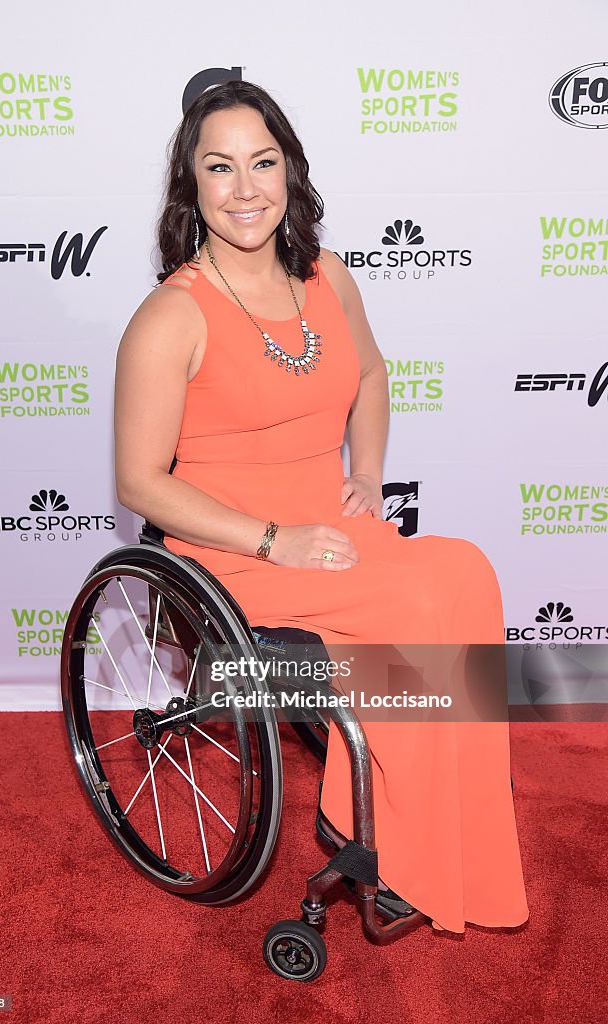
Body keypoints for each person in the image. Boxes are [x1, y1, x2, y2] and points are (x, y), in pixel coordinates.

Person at [114, 80, 529, 934]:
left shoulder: (326, 277)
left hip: (329, 531)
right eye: (218, 167)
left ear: (289, 171)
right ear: (190, 185)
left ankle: (447, 838)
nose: (245, 189)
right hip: (231, 551)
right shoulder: (170, 317)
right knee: (419, 604)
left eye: (262, 163)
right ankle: (373, 832)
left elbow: (370, 374)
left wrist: (366, 476)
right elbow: (139, 483)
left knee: (466, 573)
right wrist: (275, 541)